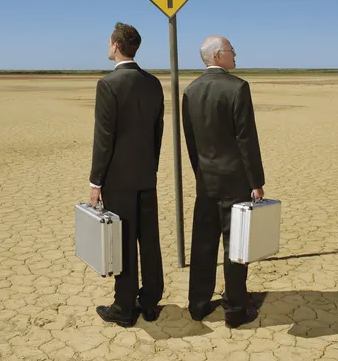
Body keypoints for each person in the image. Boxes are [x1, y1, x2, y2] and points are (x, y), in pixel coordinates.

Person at [182, 36, 265, 328]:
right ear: (218, 55)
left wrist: (201, 174)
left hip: (205, 181)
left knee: (203, 244)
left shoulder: (190, 91)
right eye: (231, 51)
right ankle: (235, 309)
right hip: (235, 182)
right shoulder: (238, 88)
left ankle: (198, 305)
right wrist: (256, 181)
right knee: (236, 246)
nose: (235, 55)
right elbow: (246, 139)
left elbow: (190, 143)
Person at [89, 22, 165, 328]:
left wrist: (96, 181)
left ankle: (123, 307)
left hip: (118, 179)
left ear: (117, 46)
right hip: (146, 174)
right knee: (149, 239)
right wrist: (152, 165)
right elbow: (157, 132)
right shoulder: (153, 83)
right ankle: (150, 301)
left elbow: (104, 138)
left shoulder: (108, 84)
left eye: (109, 42)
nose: (108, 46)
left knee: (122, 241)